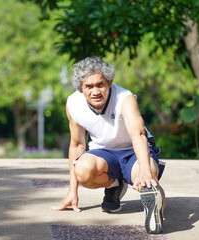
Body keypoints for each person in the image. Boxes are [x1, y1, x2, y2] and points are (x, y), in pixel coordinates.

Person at [50, 57, 165, 234]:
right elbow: (77, 144)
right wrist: (72, 190)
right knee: (83, 170)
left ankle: (155, 209)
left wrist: (145, 170)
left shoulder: (124, 98)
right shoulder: (73, 104)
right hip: (103, 153)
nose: (95, 91)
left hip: (133, 151)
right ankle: (114, 185)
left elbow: (138, 134)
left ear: (109, 83)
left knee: (148, 179)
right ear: (81, 88)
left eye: (100, 85)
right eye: (89, 86)